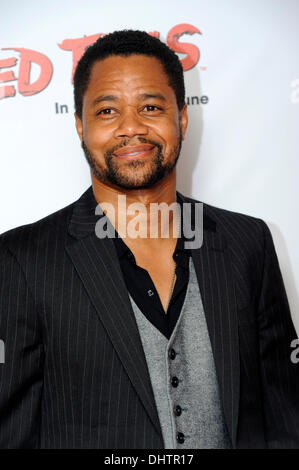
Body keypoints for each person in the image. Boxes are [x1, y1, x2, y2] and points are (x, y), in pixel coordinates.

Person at [0, 30, 298, 449]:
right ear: (80, 126)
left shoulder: (248, 241)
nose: (131, 128)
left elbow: (284, 416)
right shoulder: (20, 259)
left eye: (151, 106)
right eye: (107, 111)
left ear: (181, 118)